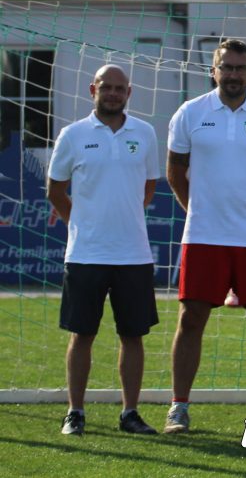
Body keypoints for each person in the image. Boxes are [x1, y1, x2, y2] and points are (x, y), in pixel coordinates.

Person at [164, 39, 246, 433]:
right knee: (191, 320)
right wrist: (197, 210)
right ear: (213, 70)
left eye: (241, 68)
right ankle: (178, 408)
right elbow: (175, 170)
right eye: (227, 67)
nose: (234, 74)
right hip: (204, 235)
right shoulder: (190, 112)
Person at [47, 65, 160, 436]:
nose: (112, 93)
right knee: (82, 335)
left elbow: (148, 188)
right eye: (106, 87)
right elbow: (55, 190)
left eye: (119, 88)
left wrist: (121, 219)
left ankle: (130, 413)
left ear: (129, 93)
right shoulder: (72, 134)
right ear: (92, 89)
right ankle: (75, 413)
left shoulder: (145, 133)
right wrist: (82, 223)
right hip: (86, 254)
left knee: (133, 336)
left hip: (133, 255)